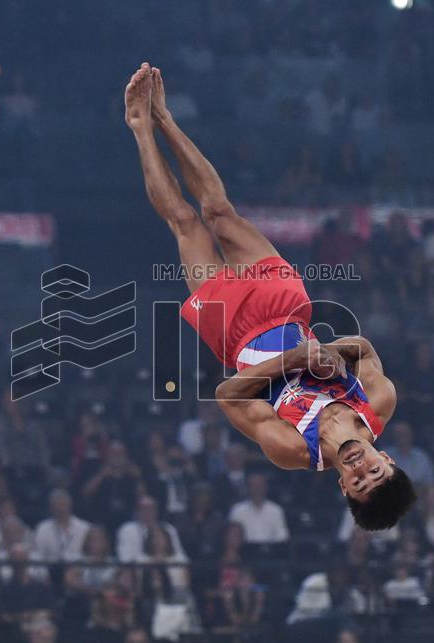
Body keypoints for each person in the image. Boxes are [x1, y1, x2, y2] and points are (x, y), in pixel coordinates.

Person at [125, 63, 415, 531]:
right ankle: (163, 117)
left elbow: (227, 396)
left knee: (185, 222)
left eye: (358, 482)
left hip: (236, 335)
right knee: (219, 212)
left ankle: (140, 127)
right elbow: (363, 349)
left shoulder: (294, 449)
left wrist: (295, 360)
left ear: (344, 488)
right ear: (388, 459)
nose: (362, 469)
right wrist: (330, 353)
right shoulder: (378, 401)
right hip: (285, 305)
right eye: (375, 472)